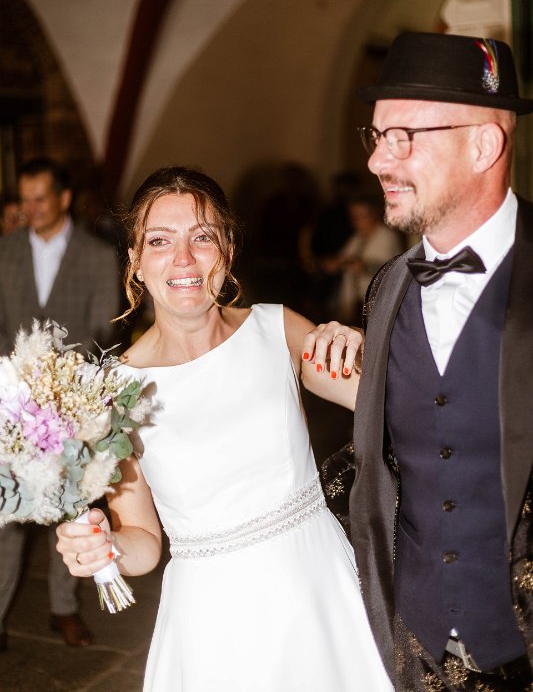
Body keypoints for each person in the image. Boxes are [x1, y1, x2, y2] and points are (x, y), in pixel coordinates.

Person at [55, 166, 392, 692]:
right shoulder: (116, 392)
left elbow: (391, 408)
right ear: (135, 261)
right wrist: (106, 547)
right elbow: (144, 542)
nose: (183, 258)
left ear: (228, 251)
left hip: (318, 590)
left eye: (202, 237)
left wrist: (363, 348)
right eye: (160, 241)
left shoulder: (278, 328)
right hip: (214, 620)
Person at [349, 31, 533, 691]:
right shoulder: (386, 289)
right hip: (415, 649)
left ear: (483, 145)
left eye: (404, 137)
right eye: (377, 137)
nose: (379, 160)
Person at [0, 158, 121, 650]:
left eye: (40, 198)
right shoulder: (5, 250)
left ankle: (63, 608)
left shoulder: (96, 255)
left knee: (71, 506)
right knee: (7, 511)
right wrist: (15, 382)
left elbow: (103, 329)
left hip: (71, 402)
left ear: (64, 198)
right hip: (11, 402)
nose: (29, 208)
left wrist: (63, 388)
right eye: (24, 199)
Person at [322, 195, 402, 324]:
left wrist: (362, 266)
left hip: (379, 305)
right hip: (357, 304)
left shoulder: (386, 237)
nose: (356, 221)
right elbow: (342, 259)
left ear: (373, 215)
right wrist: (335, 263)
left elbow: (388, 270)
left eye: (361, 216)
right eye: (353, 217)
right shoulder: (356, 238)